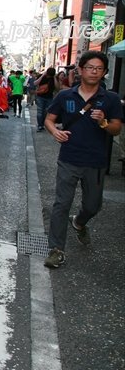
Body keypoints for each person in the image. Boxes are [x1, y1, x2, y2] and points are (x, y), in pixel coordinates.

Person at [43, 51, 122, 268]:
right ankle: (56, 249)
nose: (94, 72)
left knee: (93, 206)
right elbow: (50, 119)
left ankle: (79, 222)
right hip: (69, 158)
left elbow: (116, 129)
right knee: (61, 204)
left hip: (96, 161)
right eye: (90, 67)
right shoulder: (65, 96)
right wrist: (54, 132)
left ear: (104, 72)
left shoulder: (111, 99)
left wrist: (104, 123)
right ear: (80, 70)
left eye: (98, 69)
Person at [35, 67, 58, 132]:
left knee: (46, 112)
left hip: (49, 97)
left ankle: (42, 125)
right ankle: (40, 125)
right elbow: (35, 83)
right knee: (40, 111)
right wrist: (42, 75)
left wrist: (54, 77)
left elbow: (57, 87)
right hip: (40, 96)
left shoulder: (53, 79)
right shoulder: (42, 76)